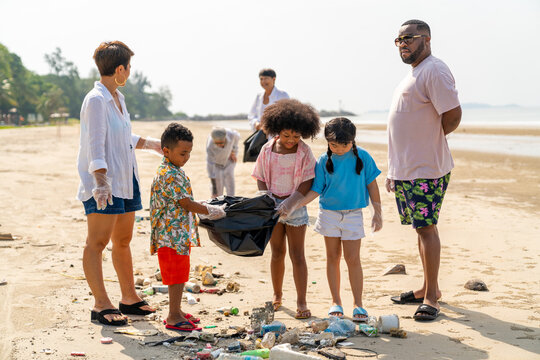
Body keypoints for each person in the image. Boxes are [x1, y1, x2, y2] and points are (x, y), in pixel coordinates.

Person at [77, 41, 163, 326]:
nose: (130, 72)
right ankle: (101, 303)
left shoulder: (118, 98)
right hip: (106, 183)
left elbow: (121, 135)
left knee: (123, 241)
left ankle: (129, 298)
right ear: (119, 69)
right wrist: (101, 182)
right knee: (97, 242)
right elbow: (96, 144)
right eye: (129, 67)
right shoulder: (96, 99)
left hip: (127, 181)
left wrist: (151, 144)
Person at [387, 20, 462, 321]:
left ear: (426, 40)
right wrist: (396, 168)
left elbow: (453, 115)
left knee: (427, 228)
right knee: (421, 228)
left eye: (409, 38)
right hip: (408, 169)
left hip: (426, 168)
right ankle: (427, 287)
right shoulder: (416, 73)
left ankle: (432, 297)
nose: (403, 43)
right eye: (399, 39)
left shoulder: (434, 69)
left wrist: (430, 141)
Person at [300, 118, 382, 321]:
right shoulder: (322, 160)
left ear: (353, 141)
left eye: (344, 144)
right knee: (333, 258)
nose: (339, 149)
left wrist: (377, 212)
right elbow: (316, 189)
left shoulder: (363, 156)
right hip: (329, 214)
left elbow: (372, 185)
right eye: (333, 145)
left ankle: (358, 304)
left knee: (353, 259)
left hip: (354, 214)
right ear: (327, 141)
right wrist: (297, 204)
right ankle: (335, 301)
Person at [150, 123, 226, 331]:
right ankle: (173, 315)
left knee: (181, 273)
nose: (187, 157)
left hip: (176, 234)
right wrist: (210, 210)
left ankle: (177, 310)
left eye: (189, 153)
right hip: (170, 235)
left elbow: (183, 200)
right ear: (166, 151)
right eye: (183, 153)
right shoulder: (170, 173)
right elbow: (185, 203)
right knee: (175, 275)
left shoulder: (173, 169)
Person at [252, 99, 320, 319]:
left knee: (297, 254)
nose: (291, 140)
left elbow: (307, 182)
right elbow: (260, 177)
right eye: (286, 135)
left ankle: (301, 301)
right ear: (276, 130)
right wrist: (267, 198)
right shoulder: (267, 148)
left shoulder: (304, 152)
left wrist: (291, 203)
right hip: (272, 208)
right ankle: (277, 294)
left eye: (296, 136)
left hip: (296, 208)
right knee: (277, 253)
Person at [206, 127, 240, 197]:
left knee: (229, 177)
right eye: (217, 143)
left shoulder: (232, 134)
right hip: (216, 163)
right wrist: (214, 189)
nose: (219, 145)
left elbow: (237, 138)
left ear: (225, 137)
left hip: (229, 159)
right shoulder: (210, 146)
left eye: (221, 142)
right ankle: (217, 200)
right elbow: (210, 165)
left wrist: (233, 151)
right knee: (218, 183)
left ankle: (231, 200)